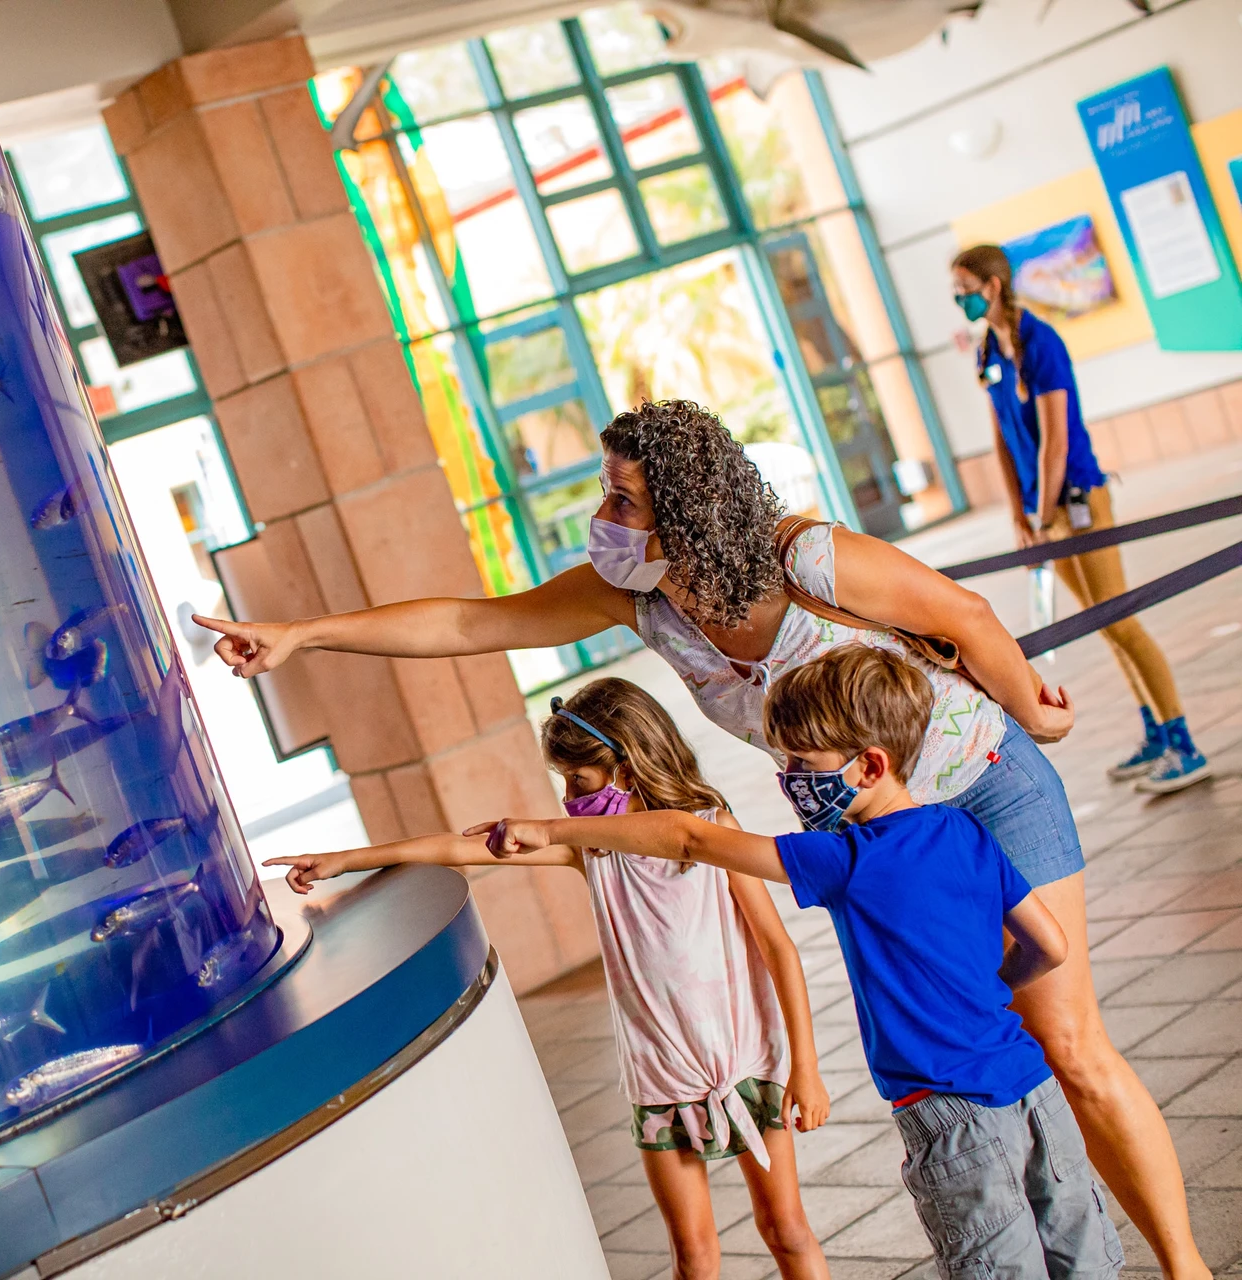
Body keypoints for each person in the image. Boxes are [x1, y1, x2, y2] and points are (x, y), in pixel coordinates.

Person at [194, 398, 1208, 1280]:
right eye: (606, 492)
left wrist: (1040, 711)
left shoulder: (801, 557)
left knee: (1066, 1043)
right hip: (878, 841)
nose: (604, 517)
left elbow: (966, 613)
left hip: (983, 788)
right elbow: (470, 622)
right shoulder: (640, 596)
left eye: (623, 499)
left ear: (687, 511)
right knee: (988, 1053)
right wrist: (303, 635)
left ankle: (1182, 1263)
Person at [471, 646, 1123, 1280]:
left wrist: (554, 830)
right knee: (1083, 1257)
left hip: (952, 1114)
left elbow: (689, 835)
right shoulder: (966, 832)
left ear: (869, 766)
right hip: (1036, 1095)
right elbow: (1051, 945)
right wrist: (989, 992)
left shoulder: (845, 860)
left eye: (802, 763)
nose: (789, 779)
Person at [267, 677, 832, 1280]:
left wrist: (807, 1068)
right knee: (693, 1259)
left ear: (626, 766)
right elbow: (460, 849)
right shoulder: (587, 850)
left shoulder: (709, 825)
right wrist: (344, 860)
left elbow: (778, 948)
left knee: (785, 1230)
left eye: (579, 781)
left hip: (747, 1059)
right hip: (661, 1078)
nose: (568, 799)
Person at [952, 244, 1208, 794]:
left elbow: (1055, 442)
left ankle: (1184, 743)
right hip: (1042, 512)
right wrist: (1018, 513)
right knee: (1099, 621)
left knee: (1121, 617)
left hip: (1075, 502)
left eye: (965, 288)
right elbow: (1001, 436)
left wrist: (1042, 514)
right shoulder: (987, 352)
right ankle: (1155, 733)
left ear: (992, 286)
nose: (959, 299)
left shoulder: (1040, 342)